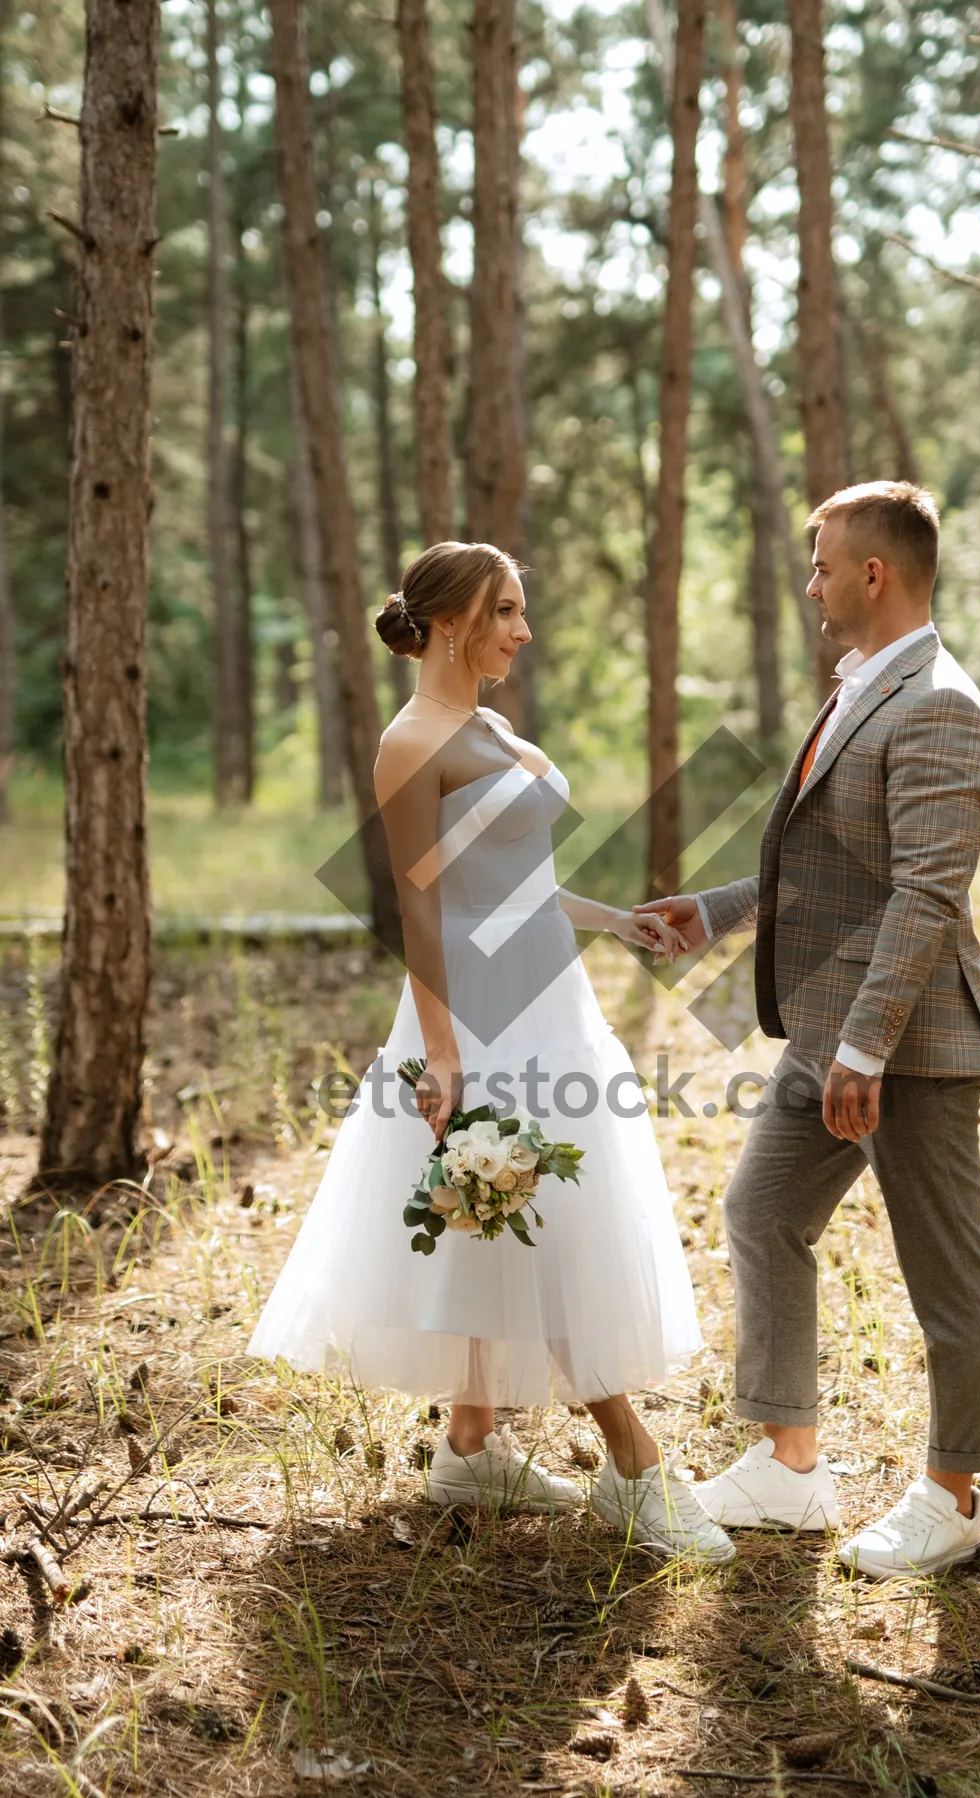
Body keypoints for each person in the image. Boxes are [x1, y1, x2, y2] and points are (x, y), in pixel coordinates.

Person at [248, 540, 734, 1566]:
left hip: (552, 999)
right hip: (475, 1015)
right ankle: (635, 1466)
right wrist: (441, 1051)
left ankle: (471, 1444)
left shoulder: (491, 723)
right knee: (538, 1210)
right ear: (454, 617)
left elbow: (515, 884)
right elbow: (422, 910)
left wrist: (617, 919)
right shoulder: (411, 739)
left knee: (512, 1213)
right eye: (507, 610)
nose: (522, 629)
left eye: (522, 608)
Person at [638, 482, 980, 1579]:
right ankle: (789, 1463)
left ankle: (952, 1496)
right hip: (831, 1030)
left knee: (945, 1272)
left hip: (908, 1042)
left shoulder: (941, 703)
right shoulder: (864, 690)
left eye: (821, 563)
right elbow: (824, 859)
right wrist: (707, 912)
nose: (812, 584)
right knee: (760, 1207)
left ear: (874, 574)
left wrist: (864, 1047)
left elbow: (925, 897)